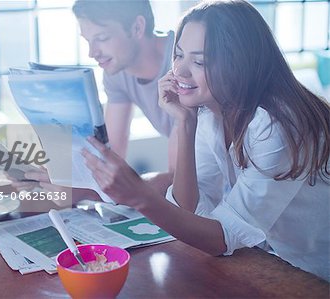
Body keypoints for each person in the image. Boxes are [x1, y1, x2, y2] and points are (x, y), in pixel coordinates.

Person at [82, 0, 330, 281]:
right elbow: (189, 208)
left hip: (318, 270)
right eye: (178, 55)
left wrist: (141, 198)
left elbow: (221, 238)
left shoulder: (273, 125)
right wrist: (184, 124)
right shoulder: (210, 112)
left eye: (199, 61)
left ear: (239, 62)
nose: (181, 71)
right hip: (281, 259)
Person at [72, 0, 177, 192]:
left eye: (102, 38)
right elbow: (109, 156)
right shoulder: (117, 72)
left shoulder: (183, 62)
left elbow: (177, 179)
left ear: (137, 27)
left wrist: (116, 189)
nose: (92, 53)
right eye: (88, 40)